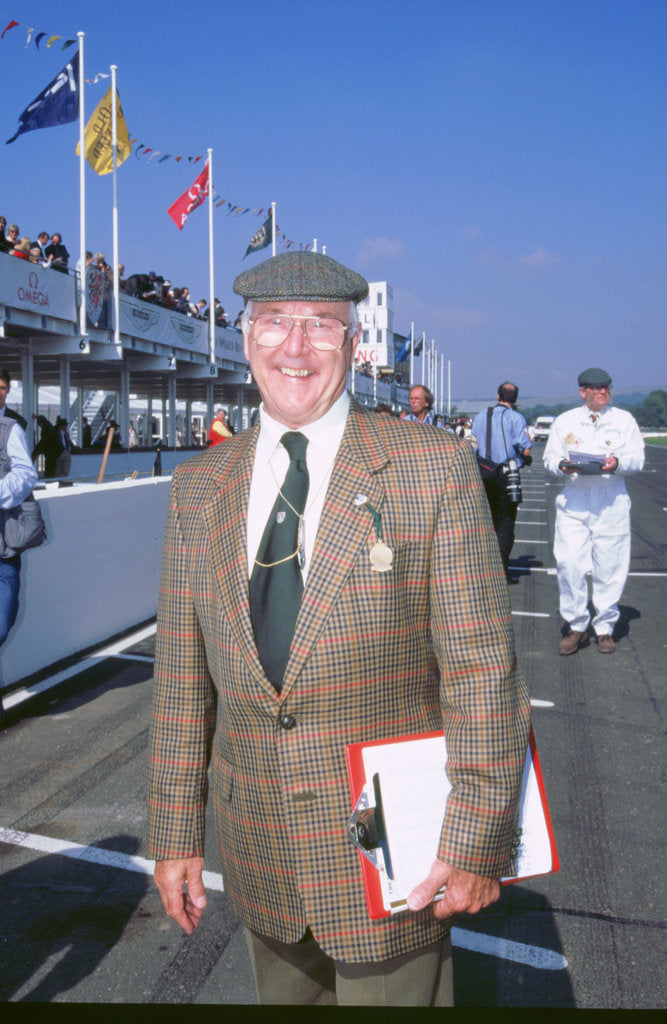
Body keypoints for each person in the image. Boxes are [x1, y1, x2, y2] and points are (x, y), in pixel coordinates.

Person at [146, 251, 530, 1007]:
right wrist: (172, 834)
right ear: (244, 338)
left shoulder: (432, 468)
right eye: (274, 325)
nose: (295, 348)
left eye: (321, 327)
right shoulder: (199, 487)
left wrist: (477, 840)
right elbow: (182, 682)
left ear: (354, 346)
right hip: (258, 845)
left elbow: (482, 671)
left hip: (398, 857)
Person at [544, 367, 645, 655]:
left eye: (607, 387)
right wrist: (562, 465)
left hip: (610, 499)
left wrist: (618, 462)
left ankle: (604, 629)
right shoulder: (565, 421)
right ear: (582, 392)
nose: (603, 392)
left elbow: (637, 458)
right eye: (596, 388)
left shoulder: (623, 420)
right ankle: (577, 626)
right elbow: (550, 458)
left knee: (610, 567)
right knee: (569, 564)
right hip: (575, 499)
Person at [471, 382, 533, 578]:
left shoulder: (481, 416)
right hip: (506, 474)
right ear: (514, 400)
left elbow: (473, 445)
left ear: (498, 396)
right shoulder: (516, 418)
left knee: (483, 520)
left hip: (483, 473)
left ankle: (482, 565)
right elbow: (524, 446)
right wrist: (526, 455)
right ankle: (500, 568)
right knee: (505, 521)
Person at [0, 369, 38, 648]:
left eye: (1, 387)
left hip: (4, 547)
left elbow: (26, 474)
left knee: (2, 624)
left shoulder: (12, 428)